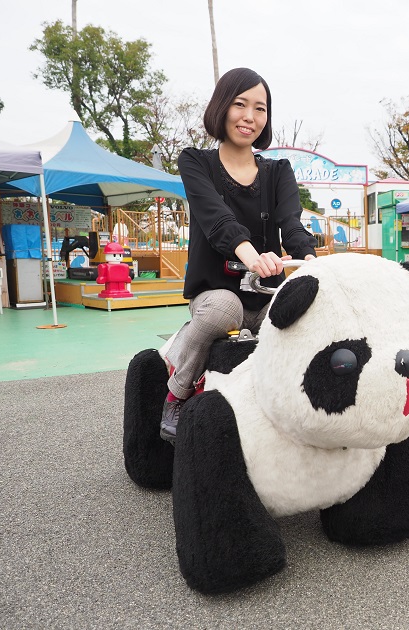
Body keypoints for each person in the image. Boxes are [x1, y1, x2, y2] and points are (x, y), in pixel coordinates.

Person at [161, 67, 318, 443]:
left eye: (260, 108)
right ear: (222, 108)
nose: (250, 116)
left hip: (265, 291)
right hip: (216, 290)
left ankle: (300, 405)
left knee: (306, 313)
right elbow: (217, 219)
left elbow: (291, 223)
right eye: (240, 104)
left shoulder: (279, 171)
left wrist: (308, 258)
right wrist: (250, 255)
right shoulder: (195, 162)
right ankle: (177, 392)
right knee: (223, 309)